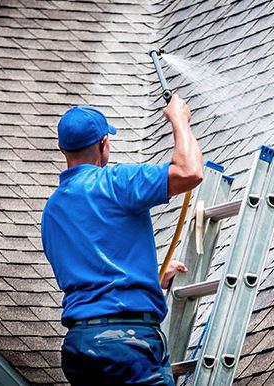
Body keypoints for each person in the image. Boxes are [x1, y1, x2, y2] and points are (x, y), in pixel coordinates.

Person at [41, 95, 203, 386]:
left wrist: (149, 280)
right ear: (104, 144)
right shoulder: (115, 182)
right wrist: (179, 119)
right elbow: (189, 172)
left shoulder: (52, 210)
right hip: (127, 345)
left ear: (61, 148)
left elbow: (93, 266)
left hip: (79, 349)